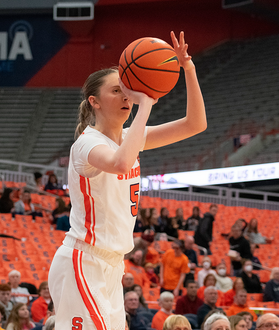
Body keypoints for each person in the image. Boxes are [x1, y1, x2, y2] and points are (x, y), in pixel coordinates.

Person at [47, 30, 207, 330]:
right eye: (117, 91)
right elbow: (120, 163)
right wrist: (146, 103)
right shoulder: (86, 144)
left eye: (127, 89)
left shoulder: (132, 139)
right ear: (94, 101)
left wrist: (189, 69)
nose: (126, 97)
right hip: (83, 260)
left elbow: (196, 124)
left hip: (113, 265)